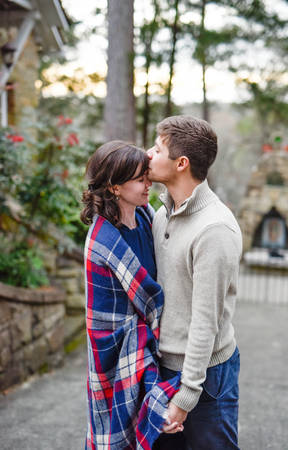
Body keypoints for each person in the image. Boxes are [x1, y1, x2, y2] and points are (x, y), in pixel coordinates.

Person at [147, 116, 243, 450]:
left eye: (157, 149)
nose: (148, 154)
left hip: (207, 378)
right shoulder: (162, 212)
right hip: (162, 370)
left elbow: (206, 322)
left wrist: (186, 396)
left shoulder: (215, 230)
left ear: (181, 163)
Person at [80, 140, 182, 450]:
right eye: (141, 179)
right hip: (116, 349)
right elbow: (117, 325)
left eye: (147, 176)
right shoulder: (102, 241)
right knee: (115, 432)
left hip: (149, 340)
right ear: (114, 187)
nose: (149, 184)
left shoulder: (148, 217)